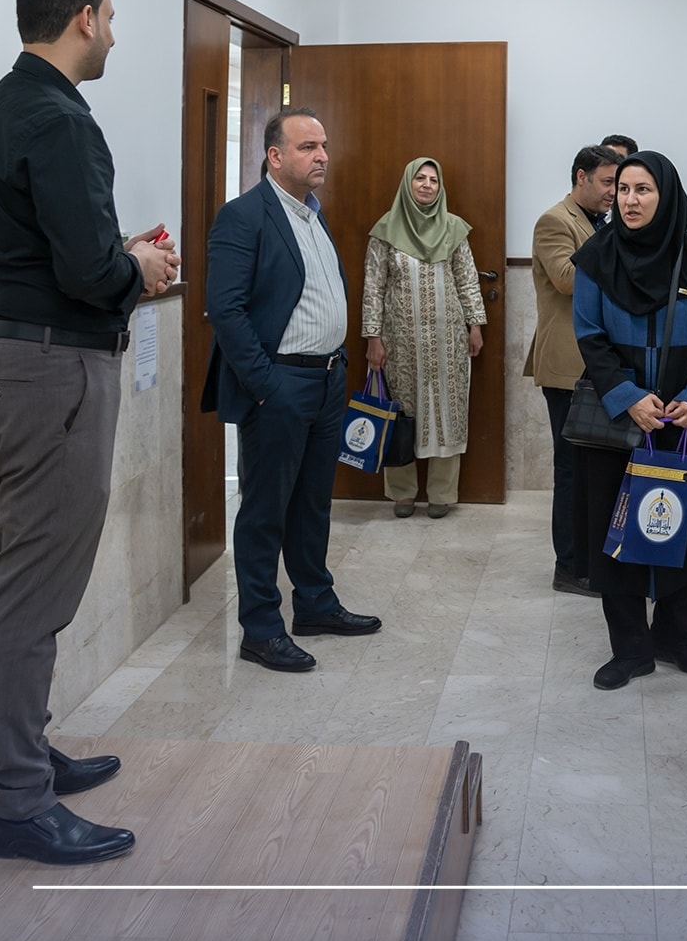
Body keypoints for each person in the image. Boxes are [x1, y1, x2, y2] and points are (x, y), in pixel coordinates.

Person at [0, 0, 179, 865]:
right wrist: (140, 267)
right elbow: (87, 272)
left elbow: (31, 250)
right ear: (83, 17)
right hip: (50, 373)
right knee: (34, 590)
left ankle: (24, 752)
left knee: (17, 575)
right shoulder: (60, 118)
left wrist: (113, 251)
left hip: (1, 359)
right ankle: (17, 799)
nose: (114, 35)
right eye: (110, 18)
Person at [203, 108, 381, 675]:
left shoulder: (312, 214)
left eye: (323, 145)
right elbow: (225, 310)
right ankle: (260, 630)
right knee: (264, 511)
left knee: (312, 504)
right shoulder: (243, 216)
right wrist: (265, 385)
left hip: (326, 381)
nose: (322, 155)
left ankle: (316, 605)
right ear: (275, 156)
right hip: (280, 385)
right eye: (308, 147)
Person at [570, 151, 687, 690]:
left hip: (682, 415)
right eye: (623, 190)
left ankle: (676, 638)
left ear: (667, 196)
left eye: (643, 190)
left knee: (676, 523)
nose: (630, 201)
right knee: (615, 527)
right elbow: (590, 336)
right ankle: (630, 648)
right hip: (620, 418)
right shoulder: (596, 257)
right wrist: (628, 396)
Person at [361, 158, 487, 519]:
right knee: (400, 412)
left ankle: (441, 493)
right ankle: (402, 493)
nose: (427, 185)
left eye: (433, 180)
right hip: (400, 344)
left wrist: (475, 325)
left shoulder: (454, 229)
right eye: (420, 178)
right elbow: (373, 287)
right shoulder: (386, 230)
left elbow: (467, 280)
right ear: (408, 183)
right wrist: (373, 337)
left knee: (446, 413)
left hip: (448, 343)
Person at [524, 144, 622, 594]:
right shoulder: (555, 221)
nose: (614, 192)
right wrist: (614, 243)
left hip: (598, 365)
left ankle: (591, 559)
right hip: (567, 366)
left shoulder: (598, 222)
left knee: (593, 472)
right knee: (570, 470)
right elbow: (565, 279)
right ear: (581, 177)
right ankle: (568, 566)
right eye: (607, 182)